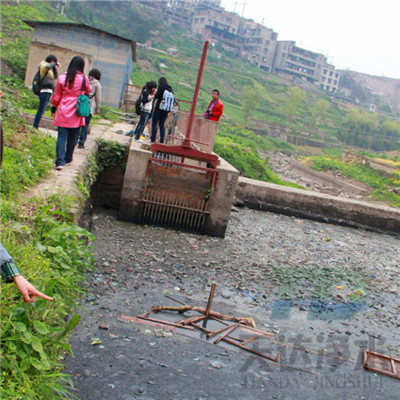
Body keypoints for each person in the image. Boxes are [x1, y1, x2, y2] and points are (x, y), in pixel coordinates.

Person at [51, 56, 91, 171]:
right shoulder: (84, 79)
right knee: (73, 136)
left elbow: (57, 95)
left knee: (62, 136)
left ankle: (59, 161)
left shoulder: (62, 78)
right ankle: (68, 158)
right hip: (77, 111)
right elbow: (88, 90)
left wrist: (54, 108)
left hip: (64, 109)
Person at [33, 54, 60, 129]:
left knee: (43, 109)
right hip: (44, 90)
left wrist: (54, 67)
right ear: (51, 61)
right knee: (41, 109)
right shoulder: (43, 65)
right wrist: (54, 64)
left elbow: (55, 77)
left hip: (48, 91)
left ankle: (36, 125)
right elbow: (48, 66)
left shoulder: (50, 69)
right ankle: (35, 126)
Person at [77, 68, 102, 149]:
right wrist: (98, 109)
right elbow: (98, 98)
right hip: (89, 107)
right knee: (85, 125)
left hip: (80, 105)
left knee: (77, 124)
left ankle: (74, 140)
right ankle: (81, 143)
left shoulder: (83, 79)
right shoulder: (97, 84)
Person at [151, 77, 173, 143]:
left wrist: (155, 93)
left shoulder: (161, 87)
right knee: (161, 125)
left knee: (154, 124)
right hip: (165, 110)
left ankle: (153, 139)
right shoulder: (170, 89)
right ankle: (161, 140)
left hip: (159, 108)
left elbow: (157, 96)